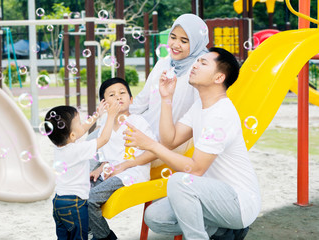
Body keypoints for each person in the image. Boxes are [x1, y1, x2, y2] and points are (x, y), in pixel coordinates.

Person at [123, 47, 261, 239]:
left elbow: (195, 170)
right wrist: (166, 98)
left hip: (238, 202)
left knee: (180, 181)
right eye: (197, 61)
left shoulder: (221, 115)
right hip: (210, 196)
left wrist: (150, 145)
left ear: (219, 78)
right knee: (155, 216)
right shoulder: (200, 106)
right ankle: (224, 231)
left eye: (203, 63)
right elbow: (169, 140)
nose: (195, 64)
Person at [104, 13, 210, 177]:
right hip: (145, 129)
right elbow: (141, 102)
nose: (175, 44)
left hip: (170, 143)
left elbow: (198, 119)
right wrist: (114, 117)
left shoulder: (199, 72)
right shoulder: (164, 63)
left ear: (196, 42)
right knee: (98, 137)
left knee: (109, 152)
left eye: (184, 41)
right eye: (173, 37)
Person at [87, 77, 156, 240]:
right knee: (79, 193)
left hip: (132, 173)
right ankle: (91, 233)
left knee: (91, 199)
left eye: (122, 93)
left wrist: (124, 165)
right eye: (111, 95)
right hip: (110, 171)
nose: (118, 97)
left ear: (131, 99)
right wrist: (100, 166)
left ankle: (105, 236)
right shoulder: (105, 126)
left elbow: (153, 151)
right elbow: (107, 156)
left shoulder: (137, 122)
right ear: (104, 104)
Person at [45, 102, 120, 240]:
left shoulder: (61, 146)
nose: (82, 125)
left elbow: (81, 131)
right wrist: (111, 116)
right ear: (72, 135)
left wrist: (97, 115)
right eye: (79, 123)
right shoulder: (77, 150)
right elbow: (104, 139)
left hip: (59, 202)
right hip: (75, 203)